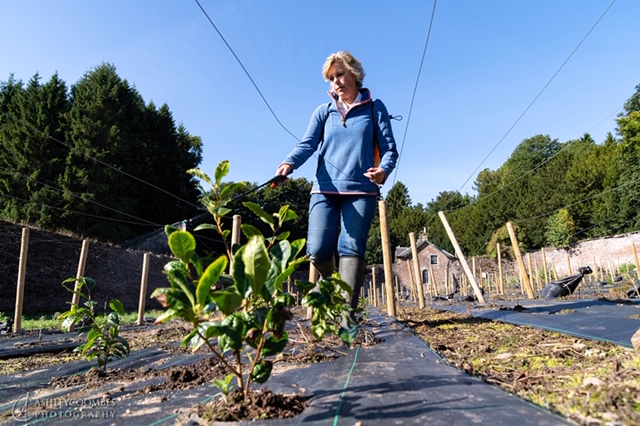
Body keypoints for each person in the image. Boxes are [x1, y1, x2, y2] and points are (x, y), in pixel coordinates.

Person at [275, 50, 398, 313]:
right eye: (331, 78)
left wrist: (383, 171)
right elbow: (307, 144)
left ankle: (346, 320)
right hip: (324, 189)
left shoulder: (375, 108)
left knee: (351, 247)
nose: (336, 82)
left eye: (340, 74)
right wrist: (288, 164)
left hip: (361, 190)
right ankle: (331, 285)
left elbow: (389, 149)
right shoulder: (324, 111)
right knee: (317, 250)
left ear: (354, 73)